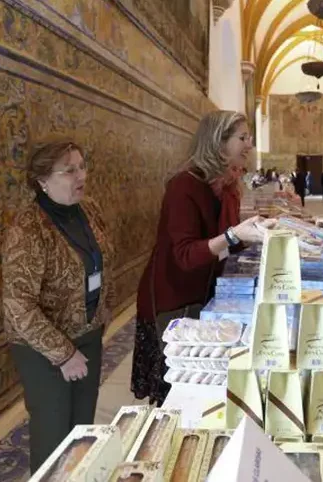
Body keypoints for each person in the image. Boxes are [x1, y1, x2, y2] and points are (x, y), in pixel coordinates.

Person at [132, 110, 275, 405]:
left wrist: (255, 234)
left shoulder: (225, 187)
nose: (249, 145)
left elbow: (222, 244)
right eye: (242, 138)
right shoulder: (183, 186)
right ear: (217, 143)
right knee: (179, 393)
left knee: (204, 388)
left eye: (249, 138)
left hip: (204, 294)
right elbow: (185, 254)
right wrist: (236, 235)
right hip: (173, 301)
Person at [3, 140, 113, 473]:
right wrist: (63, 354)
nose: (81, 175)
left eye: (82, 166)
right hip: (44, 349)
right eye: (69, 170)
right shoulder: (27, 230)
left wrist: (100, 312)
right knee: (53, 436)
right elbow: (18, 305)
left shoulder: (88, 208)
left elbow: (98, 260)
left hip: (87, 333)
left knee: (82, 433)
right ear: (42, 180)